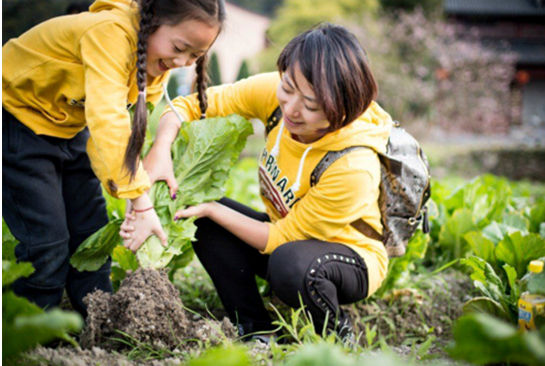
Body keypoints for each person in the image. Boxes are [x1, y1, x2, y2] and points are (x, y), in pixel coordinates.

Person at [122, 23, 392, 341]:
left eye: (311, 105)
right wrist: (161, 149)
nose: (291, 109)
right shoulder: (276, 94)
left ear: (341, 110)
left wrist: (213, 208)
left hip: (347, 258)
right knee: (197, 214)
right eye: (288, 88)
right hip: (288, 238)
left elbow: (282, 239)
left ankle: (335, 331)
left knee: (289, 265)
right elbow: (190, 105)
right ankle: (253, 326)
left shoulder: (353, 165)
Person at [2, 0, 225, 318]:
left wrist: (138, 189)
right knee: (46, 242)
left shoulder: (154, 60)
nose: (181, 61)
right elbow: (107, 119)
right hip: (18, 118)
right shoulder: (110, 32)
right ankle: (32, 330)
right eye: (179, 47)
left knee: (91, 232)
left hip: (70, 125)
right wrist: (141, 200)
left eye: (194, 56)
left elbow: (126, 130)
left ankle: (99, 319)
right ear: (153, 20)